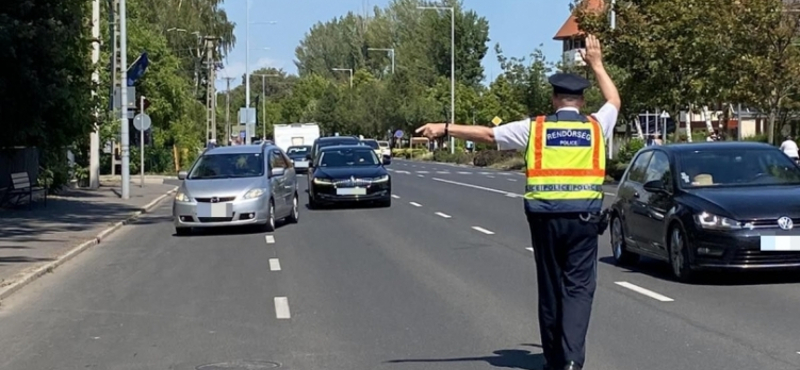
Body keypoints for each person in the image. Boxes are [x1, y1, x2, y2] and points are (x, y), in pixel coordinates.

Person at [415, 34, 620, 370]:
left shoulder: (534, 129)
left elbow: (486, 135)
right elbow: (614, 99)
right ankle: (572, 361)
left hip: (545, 220)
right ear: (581, 102)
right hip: (584, 220)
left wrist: (445, 127)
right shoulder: (598, 126)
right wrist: (597, 64)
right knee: (579, 290)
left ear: (554, 99)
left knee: (551, 288)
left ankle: (555, 359)